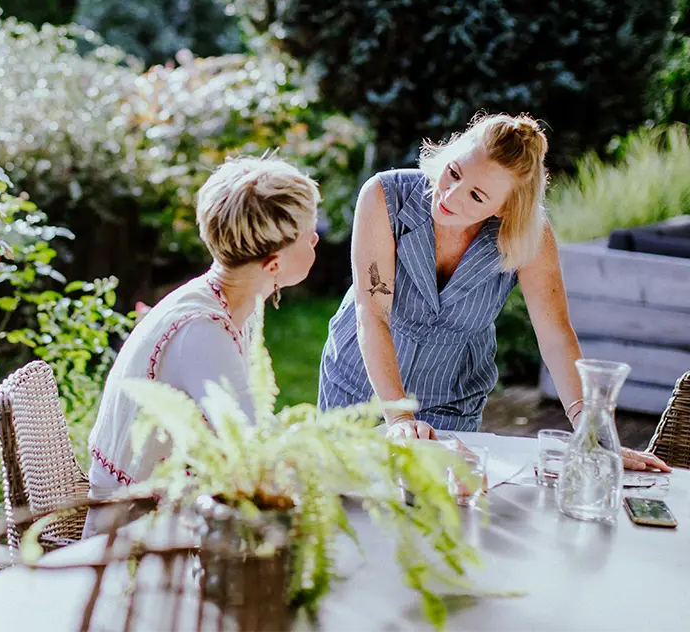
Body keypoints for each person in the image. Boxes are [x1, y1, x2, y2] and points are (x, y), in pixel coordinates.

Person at [318, 113, 669, 472]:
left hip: (450, 401)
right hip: (359, 387)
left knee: (443, 510)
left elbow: (554, 333)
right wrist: (399, 419)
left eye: (476, 195)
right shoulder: (384, 196)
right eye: (453, 172)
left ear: (505, 207)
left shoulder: (529, 236)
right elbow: (372, 312)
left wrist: (591, 432)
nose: (450, 195)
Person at [85, 155, 321, 527]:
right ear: (273, 265)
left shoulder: (231, 303)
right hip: (138, 535)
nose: (317, 239)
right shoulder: (202, 331)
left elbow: (250, 420)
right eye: (310, 234)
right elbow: (251, 451)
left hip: (182, 506)